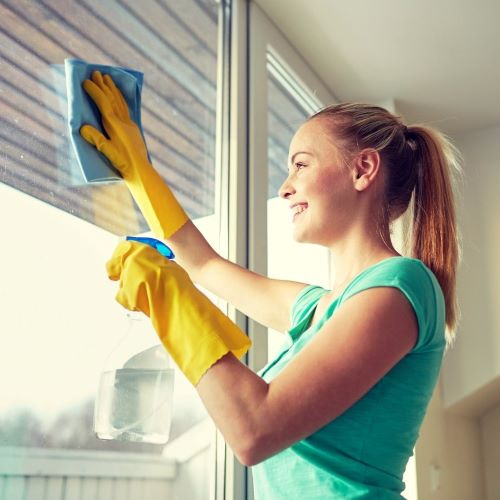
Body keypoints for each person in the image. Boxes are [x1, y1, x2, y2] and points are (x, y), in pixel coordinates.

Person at [81, 71, 461, 499]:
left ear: (363, 169)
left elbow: (254, 430)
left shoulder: (402, 285)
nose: (284, 189)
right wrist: (139, 172)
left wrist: (168, 296)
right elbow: (204, 264)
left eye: (300, 164)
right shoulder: (318, 308)